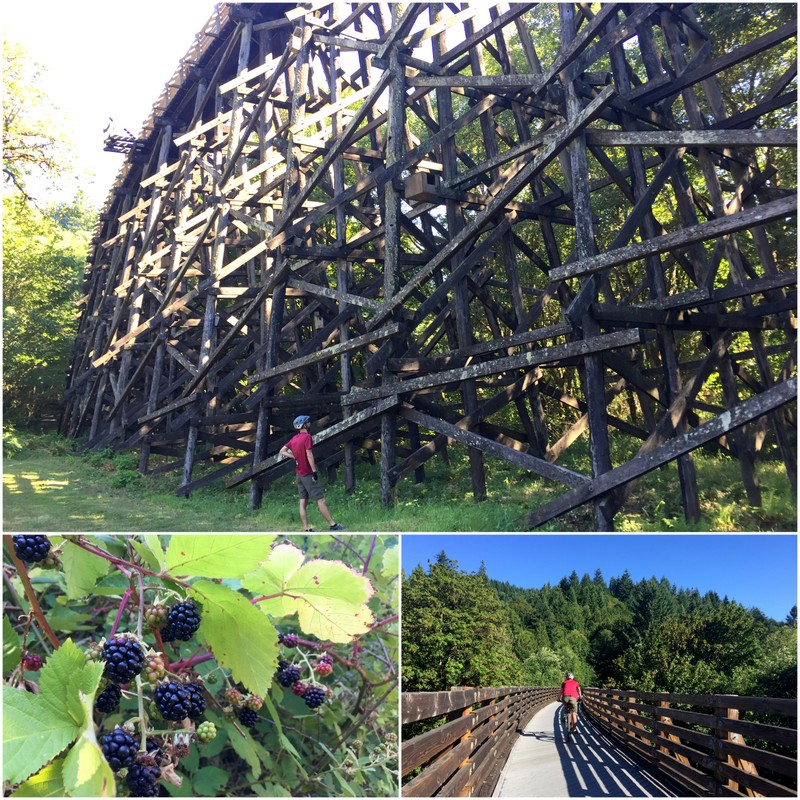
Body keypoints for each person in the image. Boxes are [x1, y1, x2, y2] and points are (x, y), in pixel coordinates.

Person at [279, 415, 346, 532]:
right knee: (320, 500)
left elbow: (282, 451)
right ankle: (333, 525)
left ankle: (307, 528)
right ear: (304, 425)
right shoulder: (307, 437)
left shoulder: (294, 439)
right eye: (307, 423)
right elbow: (309, 455)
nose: (309, 424)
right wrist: (314, 471)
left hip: (299, 474)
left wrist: (294, 456)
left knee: (302, 502)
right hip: (308, 474)